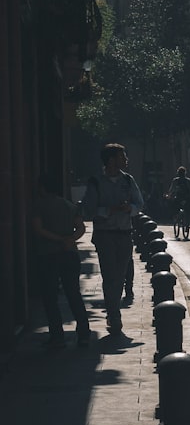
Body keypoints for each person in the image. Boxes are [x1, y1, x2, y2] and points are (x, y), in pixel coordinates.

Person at [82, 143, 144, 333]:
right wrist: (109, 210)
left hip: (125, 234)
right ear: (111, 160)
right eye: (122, 156)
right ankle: (114, 315)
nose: (126, 160)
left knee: (120, 276)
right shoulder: (96, 182)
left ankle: (112, 311)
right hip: (105, 235)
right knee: (110, 276)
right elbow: (89, 209)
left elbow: (139, 203)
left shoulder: (128, 180)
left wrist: (130, 209)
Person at [32, 172, 91, 348]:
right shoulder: (69, 205)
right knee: (73, 293)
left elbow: (38, 229)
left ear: (42, 188)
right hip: (70, 253)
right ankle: (84, 334)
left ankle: (57, 336)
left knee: (50, 296)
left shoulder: (39, 205)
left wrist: (58, 239)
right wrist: (70, 239)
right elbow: (81, 227)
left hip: (48, 254)